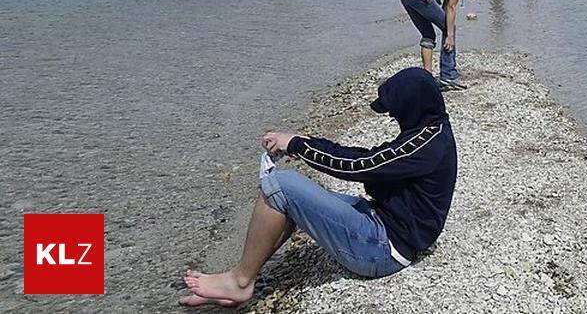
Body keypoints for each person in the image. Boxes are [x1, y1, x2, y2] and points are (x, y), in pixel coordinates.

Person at [180, 69, 457, 308]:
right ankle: (243, 276)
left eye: (394, 111)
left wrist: (298, 145)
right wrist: (306, 140)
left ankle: (239, 281)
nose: (392, 118)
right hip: (387, 228)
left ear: (410, 107)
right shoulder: (433, 130)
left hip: (383, 249)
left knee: (282, 185)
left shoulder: (423, 145)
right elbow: (370, 158)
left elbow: (359, 165)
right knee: (290, 197)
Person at [400, 0, 491, 91]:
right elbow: (451, 7)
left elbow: (445, 8)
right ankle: (448, 75)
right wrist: (450, 36)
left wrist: (447, 28)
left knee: (428, 35)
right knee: (450, 29)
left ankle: (427, 78)